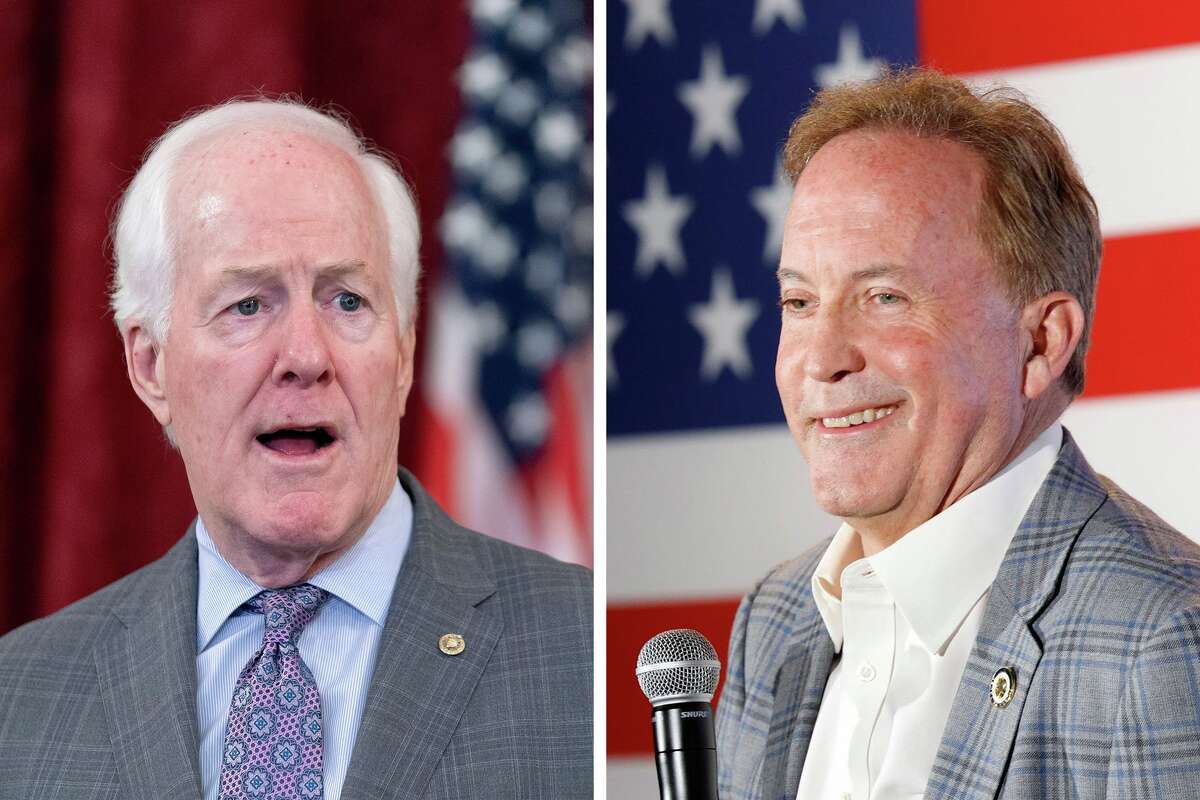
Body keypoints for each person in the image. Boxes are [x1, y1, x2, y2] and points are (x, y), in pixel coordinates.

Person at [0, 99, 592, 800]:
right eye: (248, 305)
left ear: (402, 355)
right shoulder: (21, 697)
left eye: (346, 301)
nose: (307, 356)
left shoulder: (580, 650)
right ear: (151, 365)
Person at [714, 68, 1200, 800]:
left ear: (1041, 343)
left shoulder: (1161, 641)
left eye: (885, 297)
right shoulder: (773, 619)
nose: (821, 358)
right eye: (800, 300)